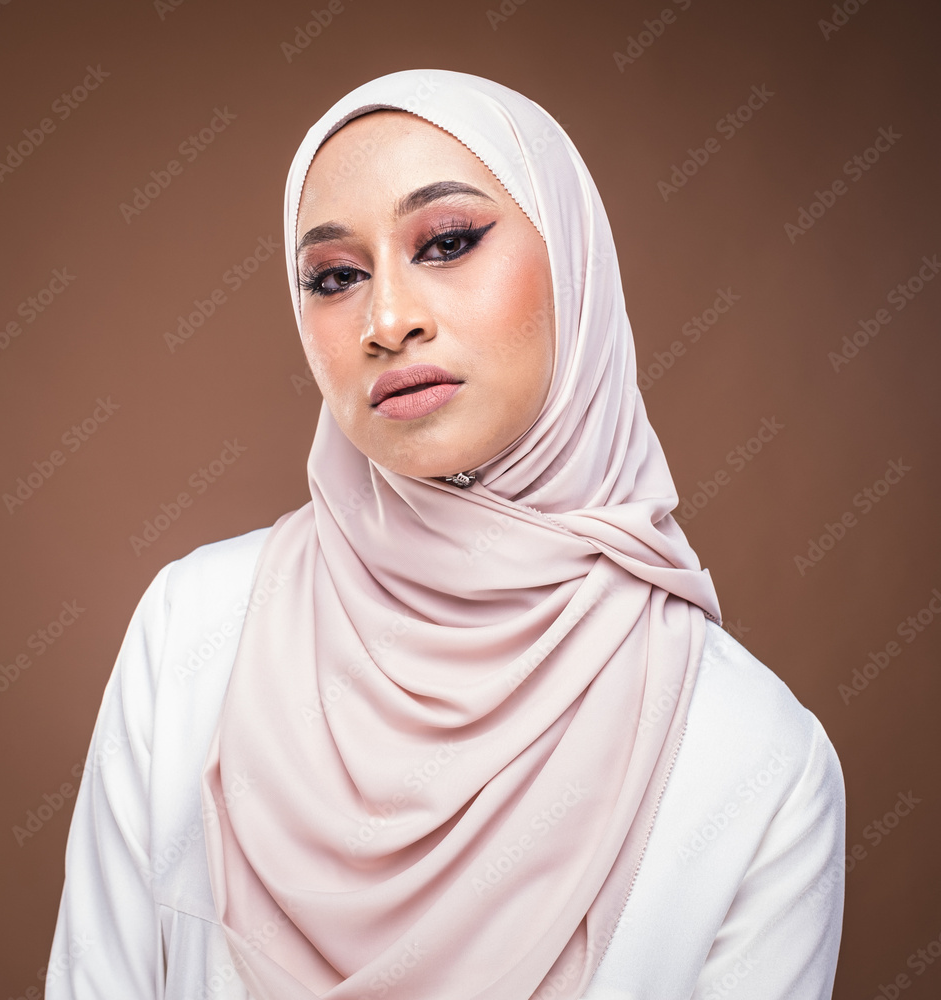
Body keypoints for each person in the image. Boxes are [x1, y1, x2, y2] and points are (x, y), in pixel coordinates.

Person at [46, 69, 845, 999]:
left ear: (574, 262)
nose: (388, 322)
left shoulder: (754, 759)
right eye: (336, 277)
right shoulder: (191, 632)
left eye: (449, 242)